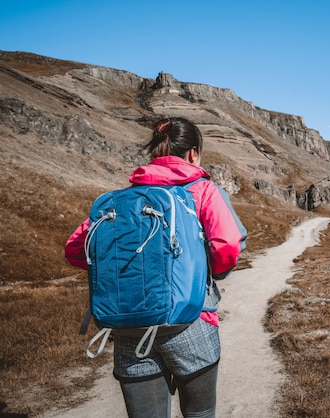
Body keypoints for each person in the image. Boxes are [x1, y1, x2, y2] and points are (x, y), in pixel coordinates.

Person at [65, 117, 247, 418]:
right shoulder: (203, 190)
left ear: (155, 154)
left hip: (129, 329)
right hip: (191, 323)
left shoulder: (122, 201)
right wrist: (210, 271)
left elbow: (75, 249)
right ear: (192, 154)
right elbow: (226, 245)